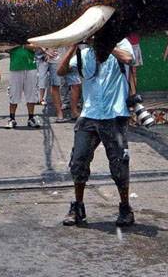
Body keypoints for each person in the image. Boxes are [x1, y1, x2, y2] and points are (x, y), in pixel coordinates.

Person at [58, 39, 136, 228]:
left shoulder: (120, 43)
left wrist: (106, 44)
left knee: (118, 163)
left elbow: (128, 58)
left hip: (114, 114)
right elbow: (61, 71)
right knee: (78, 161)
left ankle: (125, 208)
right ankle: (78, 207)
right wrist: (73, 47)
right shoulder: (85, 54)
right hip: (90, 115)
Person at [6, 45, 39, 128]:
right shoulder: (12, 36)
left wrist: (24, 44)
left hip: (31, 66)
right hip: (15, 67)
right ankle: (11, 119)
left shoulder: (30, 34)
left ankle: (31, 118)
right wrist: (17, 44)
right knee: (14, 93)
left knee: (31, 94)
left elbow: (36, 47)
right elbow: (6, 48)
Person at [125, 33, 144, 98]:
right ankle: (129, 93)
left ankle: (133, 93)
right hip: (125, 46)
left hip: (134, 46)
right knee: (128, 72)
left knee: (133, 72)